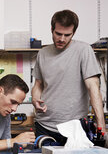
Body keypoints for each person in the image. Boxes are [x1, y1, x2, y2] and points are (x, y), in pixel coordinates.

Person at [32, 9, 105, 146]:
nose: (62, 39)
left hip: (74, 128)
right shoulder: (42, 53)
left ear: (74, 33)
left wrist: (102, 128)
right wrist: (35, 99)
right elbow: (38, 84)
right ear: (51, 29)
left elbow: (93, 88)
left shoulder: (84, 50)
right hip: (44, 125)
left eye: (67, 35)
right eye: (58, 34)